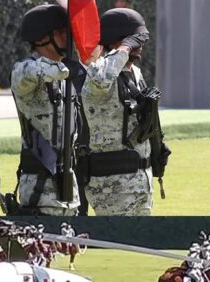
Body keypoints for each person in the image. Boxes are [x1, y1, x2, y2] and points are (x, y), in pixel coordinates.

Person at [80, 8, 169, 216]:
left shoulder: (134, 73)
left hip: (140, 181)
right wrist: (125, 47)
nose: (140, 45)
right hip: (112, 185)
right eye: (134, 39)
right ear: (116, 39)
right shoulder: (97, 71)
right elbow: (101, 77)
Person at [9, 4, 83, 216]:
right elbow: (36, 71)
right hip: (40, 191)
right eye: (60, 33)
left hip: (68, 188)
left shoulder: (63, 76)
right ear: (41, 38)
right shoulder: (24, 70)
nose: (66, 39)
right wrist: (68, 68)